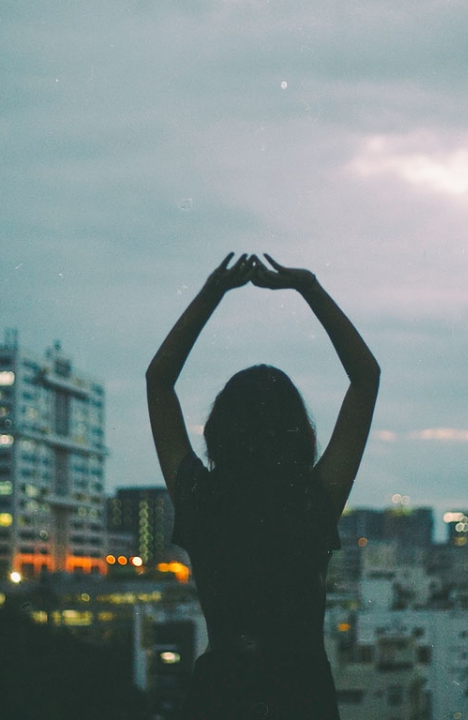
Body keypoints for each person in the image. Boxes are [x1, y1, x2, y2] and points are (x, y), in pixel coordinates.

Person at [146, 253, 381, 719]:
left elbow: (159, 382)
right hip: (302, 693)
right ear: (298, 432)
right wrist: (309, 288)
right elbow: (365, 378)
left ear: (219, 431)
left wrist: (213, 291)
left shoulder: (200, 497)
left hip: (220, 693)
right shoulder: (315, 500)